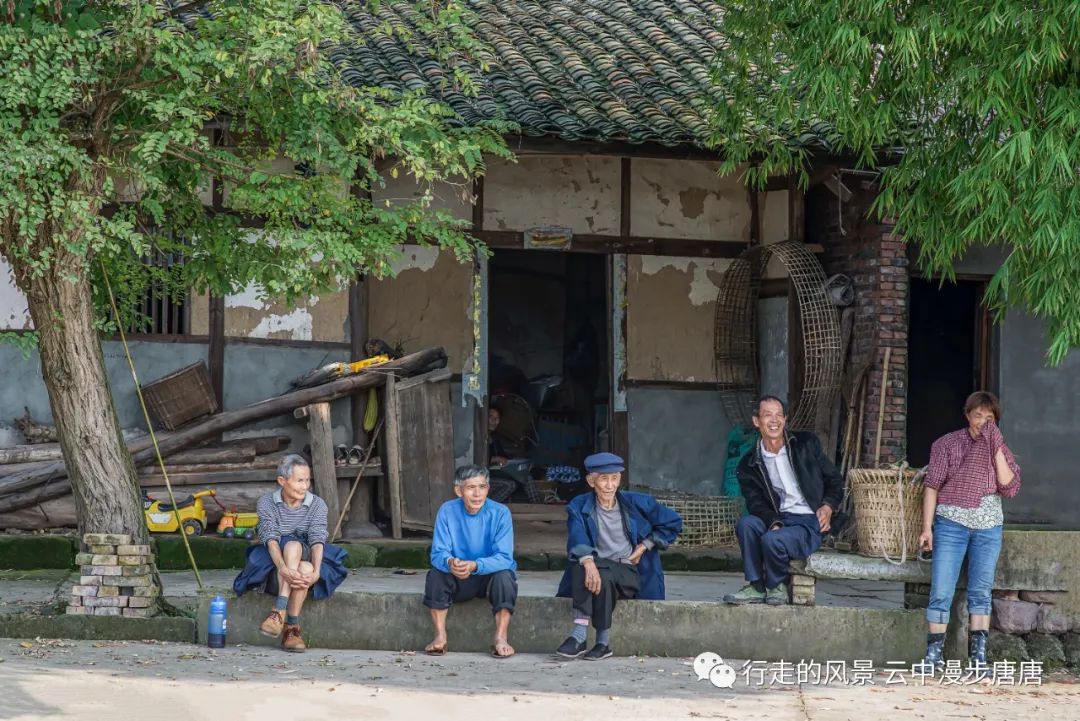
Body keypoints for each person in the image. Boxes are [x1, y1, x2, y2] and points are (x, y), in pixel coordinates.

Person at [918, 391, 1020, 673]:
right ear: (967, 415)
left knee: (981, 591)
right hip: (951, 525)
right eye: (979, 416)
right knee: (941, 589)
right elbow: (932, 486)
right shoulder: (947, 444)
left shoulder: (999, 448)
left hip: (988, 528)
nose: (984, 423)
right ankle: (933, 656)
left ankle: (978, 659)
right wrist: (927, 528)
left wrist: (996, 445)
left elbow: (1008, 486)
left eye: (990, 418)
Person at [555, 452, 682, 660]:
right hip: (599, 570)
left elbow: (673, 522)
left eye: (614, 478)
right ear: (591, 481)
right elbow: (577, 536)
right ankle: (600, 643)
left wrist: (644, 546)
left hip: (629, 571)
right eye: (603, 479)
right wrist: (588, 562)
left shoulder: (639, 503)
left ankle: (580, 637)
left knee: (597, 570)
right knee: (585, 564)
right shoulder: (579, 505)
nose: (609, 485)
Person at [724, 396, 844, 606]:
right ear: (756, 421)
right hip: (778, 517)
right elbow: (756, 504)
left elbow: (834, 480)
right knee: (747, 524)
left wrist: (828, 506)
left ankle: (776, 584)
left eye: (779, 415)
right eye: (767, 415)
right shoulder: (749, 464)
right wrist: (774, 523)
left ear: (785, 420)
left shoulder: (806, 444)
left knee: (773, 540)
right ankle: (757, 586)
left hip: (808, 520)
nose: (774, 420)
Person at [232, 453, 348, 653]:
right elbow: (270, 538)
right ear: (282, 481)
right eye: (299, 481)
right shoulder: (267, 503)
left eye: (307, 480)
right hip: (274, 560)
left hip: (306, 551)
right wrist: (284, 568)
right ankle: (291, 629)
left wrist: (317, 572)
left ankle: (278, 611)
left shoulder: (317, 504)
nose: (305, 486)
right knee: (303, 566)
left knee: (298, 550)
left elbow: (317, 539)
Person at [423, 464, 518, 658]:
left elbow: (505, 558)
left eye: (482, 487)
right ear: (459, 490)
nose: (477, 494)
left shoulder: (500, 513)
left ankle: (501, 638)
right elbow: (438, 553)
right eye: (470, 488)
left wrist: (476, 565)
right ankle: (440, 636)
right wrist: (450, 563)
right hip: (458, 576)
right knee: (435, 575)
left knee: (505, 577)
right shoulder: (447, 511)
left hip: (488, 577)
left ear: (488, 489)